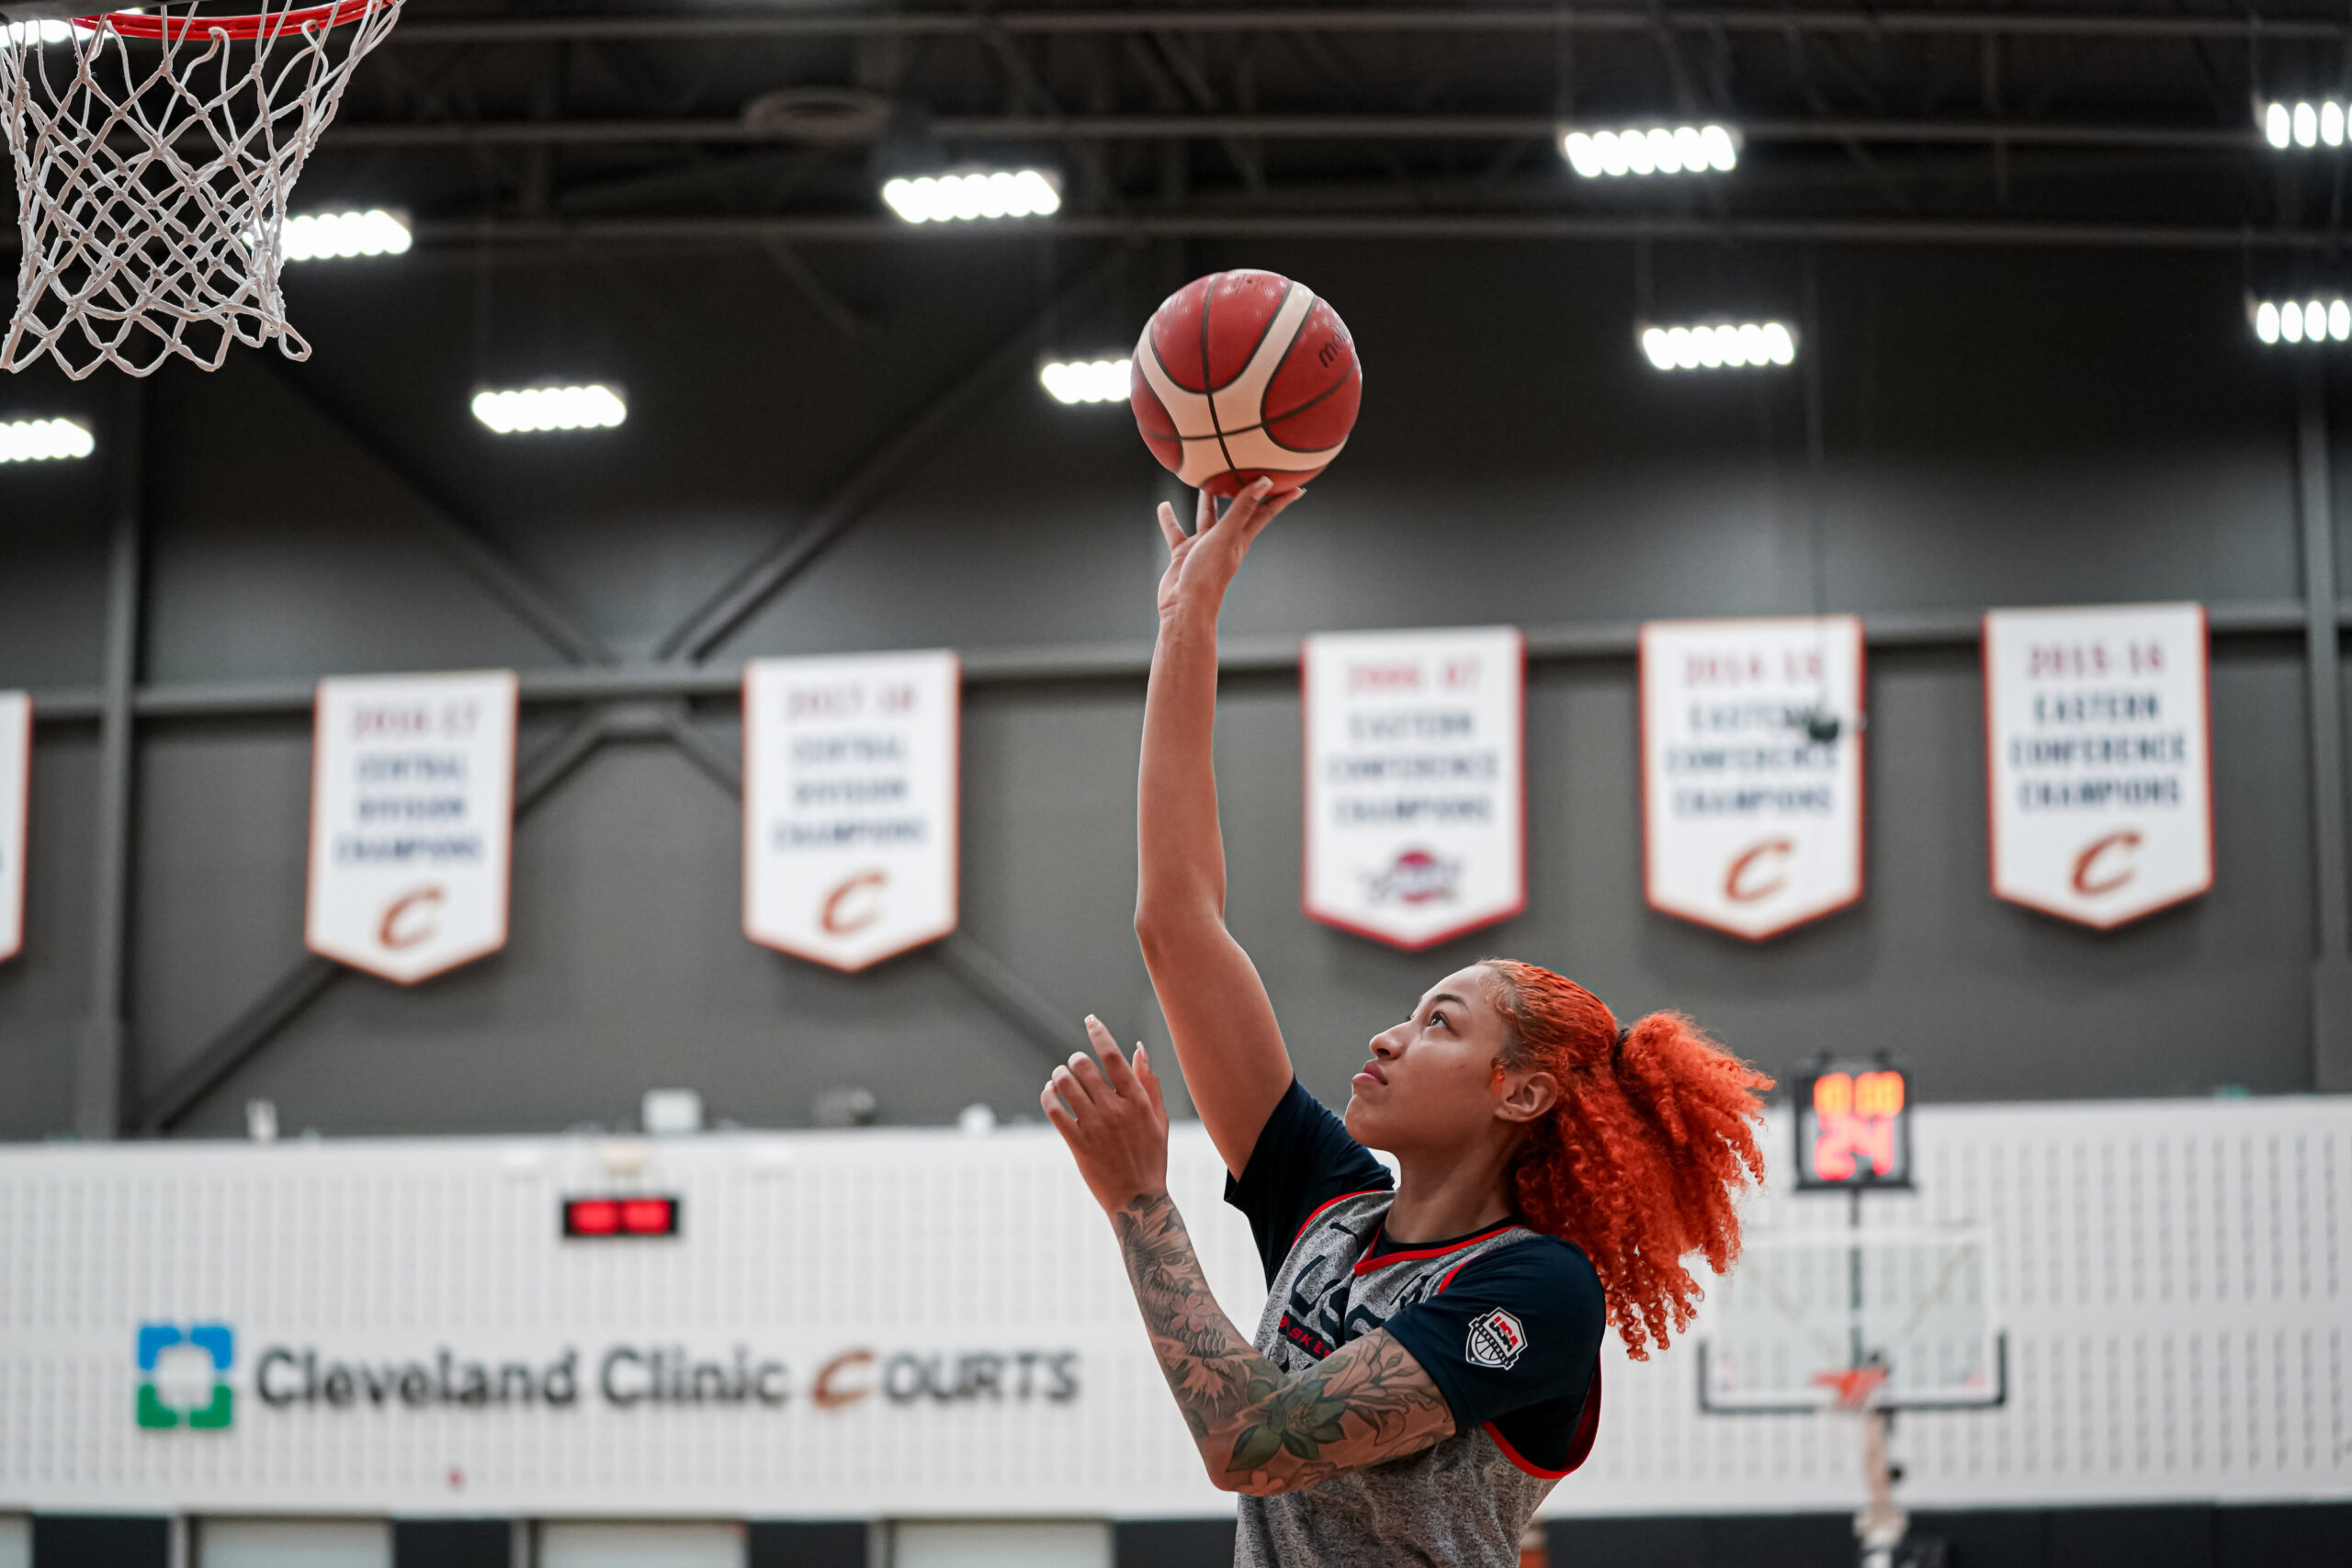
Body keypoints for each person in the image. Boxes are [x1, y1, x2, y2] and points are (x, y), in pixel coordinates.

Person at [1041, 478, 1776, 1567]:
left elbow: (1254, 1442)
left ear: (1519, 1090)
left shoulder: (1533, 1287)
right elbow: (1177, 921)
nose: (1384, 1038)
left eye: (1438, 1023)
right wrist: (1187, 624)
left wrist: (1143, 1202)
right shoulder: (1328, 1206)